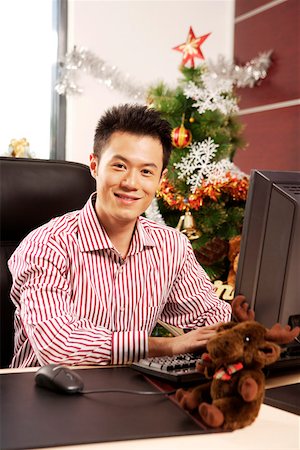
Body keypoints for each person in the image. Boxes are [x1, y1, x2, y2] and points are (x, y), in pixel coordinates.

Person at [8, 104, 231, 368]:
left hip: (128, 393)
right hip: (45, 396)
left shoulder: (171, 246)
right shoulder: (47, 246)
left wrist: (240, 329)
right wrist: (164, 346)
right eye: (120, 166)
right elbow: (57, 347)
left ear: (161, 179)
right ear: (94, 165)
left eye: (146, 171)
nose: (131, 183)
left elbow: (210, 320)